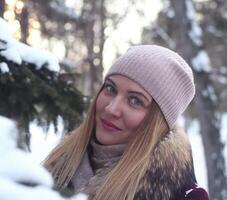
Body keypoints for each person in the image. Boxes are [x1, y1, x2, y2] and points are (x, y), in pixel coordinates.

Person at [44, 45, 209, 200]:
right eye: (110, 89)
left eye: (135, 101)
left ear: (158, 122)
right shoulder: (56, 165)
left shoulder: (183, 196)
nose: (111, 109)